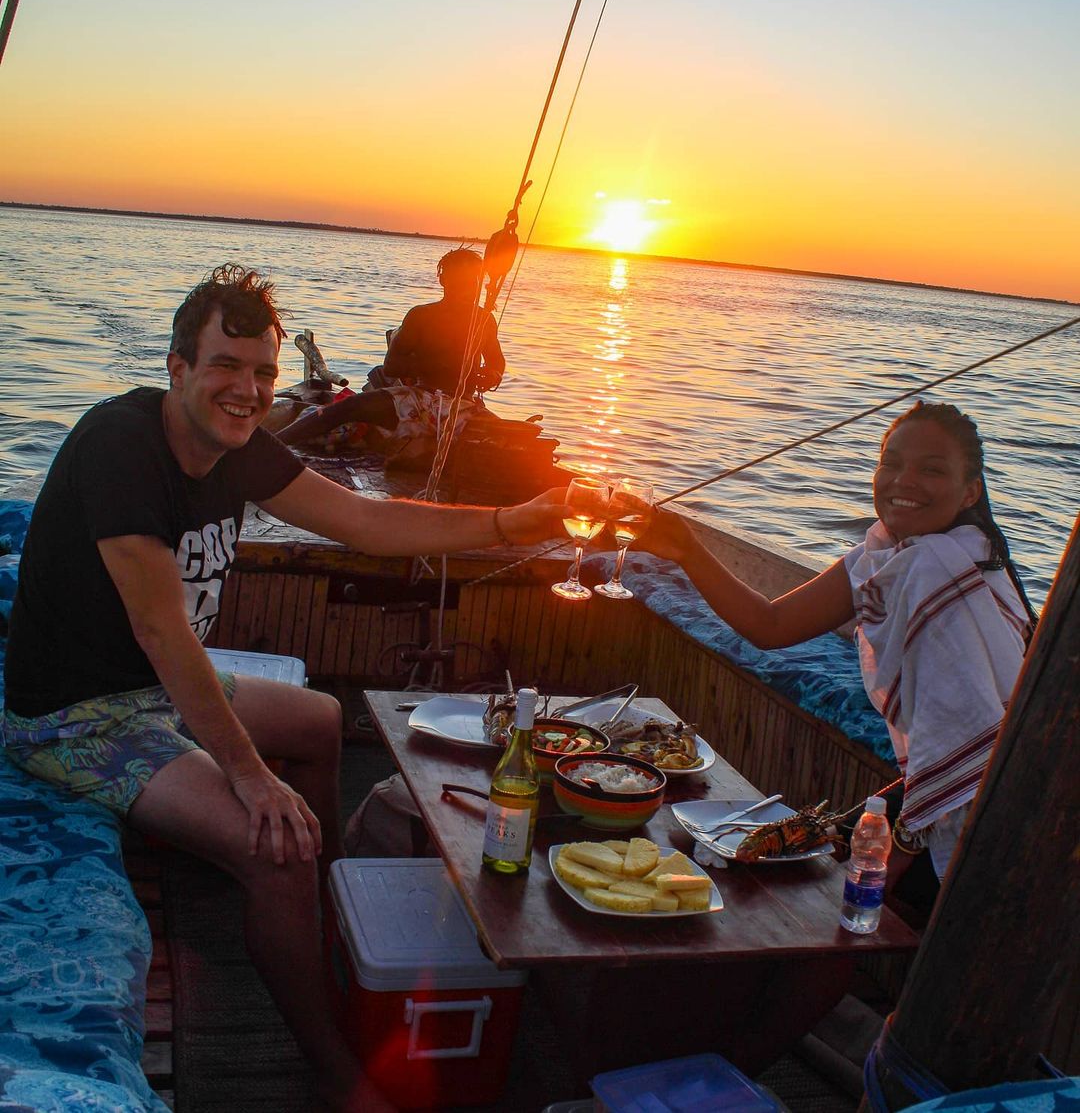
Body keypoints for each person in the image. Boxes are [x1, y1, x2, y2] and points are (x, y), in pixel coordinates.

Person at [1, 264, 563, 1113]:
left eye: (263, 372)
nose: (249, 390)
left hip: (155, 683)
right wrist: (248, 776)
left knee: (319, 718)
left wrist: (506, 523)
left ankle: (326, 911)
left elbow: (366, 521)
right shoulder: (119, 446)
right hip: (77, 714)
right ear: (178, 367)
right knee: (277, 843)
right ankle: (332, 1063)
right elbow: (162, 634)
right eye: (225, 366)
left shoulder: (239, 447)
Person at [641, 400, 1038, 889]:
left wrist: (879, 878)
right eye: (890, 464)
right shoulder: (883, 556)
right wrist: (684, 546)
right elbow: (772, 624)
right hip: (936, 789)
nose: (903, 481)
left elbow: (959, 749)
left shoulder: (937, 570)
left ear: (970, 491)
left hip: (985, 809)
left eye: (931, 470)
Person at [276, 247, 505, 458]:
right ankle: (275, 443)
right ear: (444, 280)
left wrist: (492, 375)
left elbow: (497, 362)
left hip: (463, 407)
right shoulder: (421, 316)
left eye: (473, 281)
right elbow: (391, 366)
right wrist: (437, 367)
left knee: (508, 435)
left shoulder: (485, 320)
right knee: (350, 406)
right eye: (460, 280)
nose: (467, 287)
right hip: (417, 398)